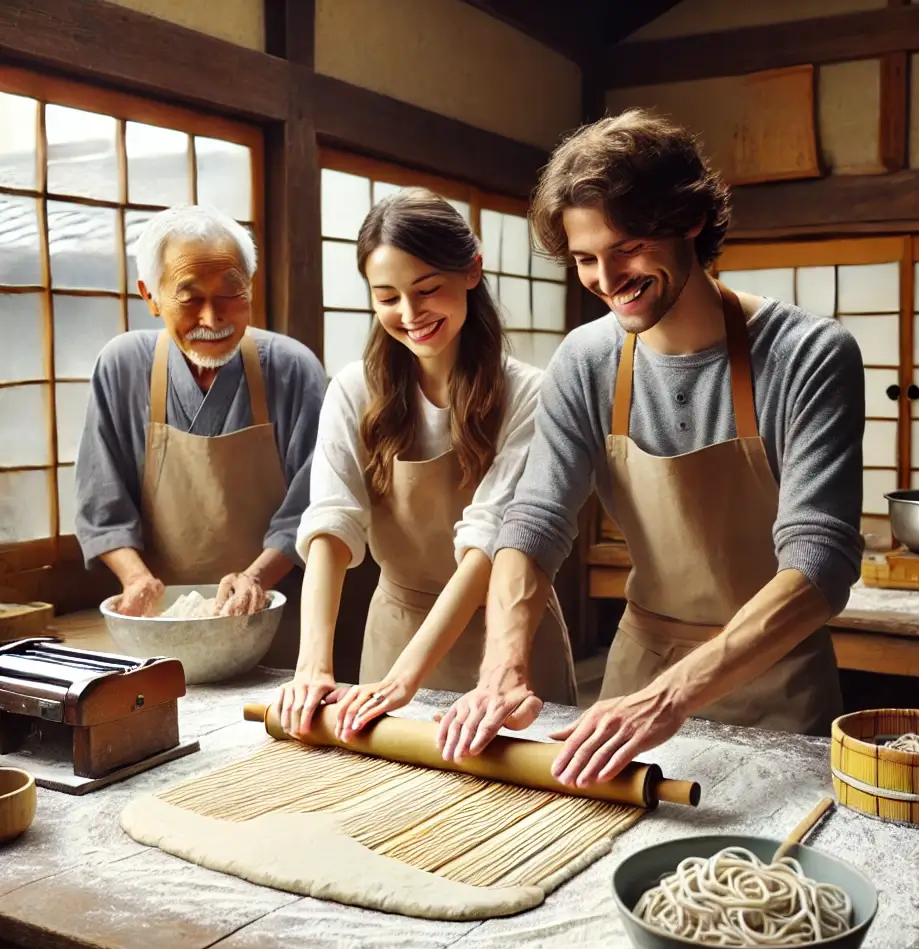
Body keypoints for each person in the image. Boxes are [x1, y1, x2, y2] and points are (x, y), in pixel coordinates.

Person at [437, 109, 865, 784]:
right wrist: (502, 668)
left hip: (776, 679)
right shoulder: (586, 359)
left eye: (627, 246)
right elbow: (535, 520)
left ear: (689, 220)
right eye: (584, 259)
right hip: (638, 674)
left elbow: (821, 562)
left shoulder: (809, 355)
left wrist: (673, 697)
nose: (607, 280)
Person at [272, 188, 576, 739]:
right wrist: (312, 666)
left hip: (506, 640)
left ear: (471, 272)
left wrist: (406, 679)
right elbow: (330, 526)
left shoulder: (529, 393)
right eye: (387, 297)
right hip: (395, 632)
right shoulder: (352, 391)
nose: (410, 315)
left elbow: (490, 545)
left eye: (427, 289)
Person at [75, 204, 326, 666]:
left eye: (231, 294)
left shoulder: (293, 369)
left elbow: (313, 507)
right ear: (151, 297)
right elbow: (101, 505)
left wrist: (255, 580)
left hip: (276, 619)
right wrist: (136, 580)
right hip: (164, 623)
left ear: (251, 288)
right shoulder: (122, 367)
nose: (213, 318)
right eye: (189, 297)